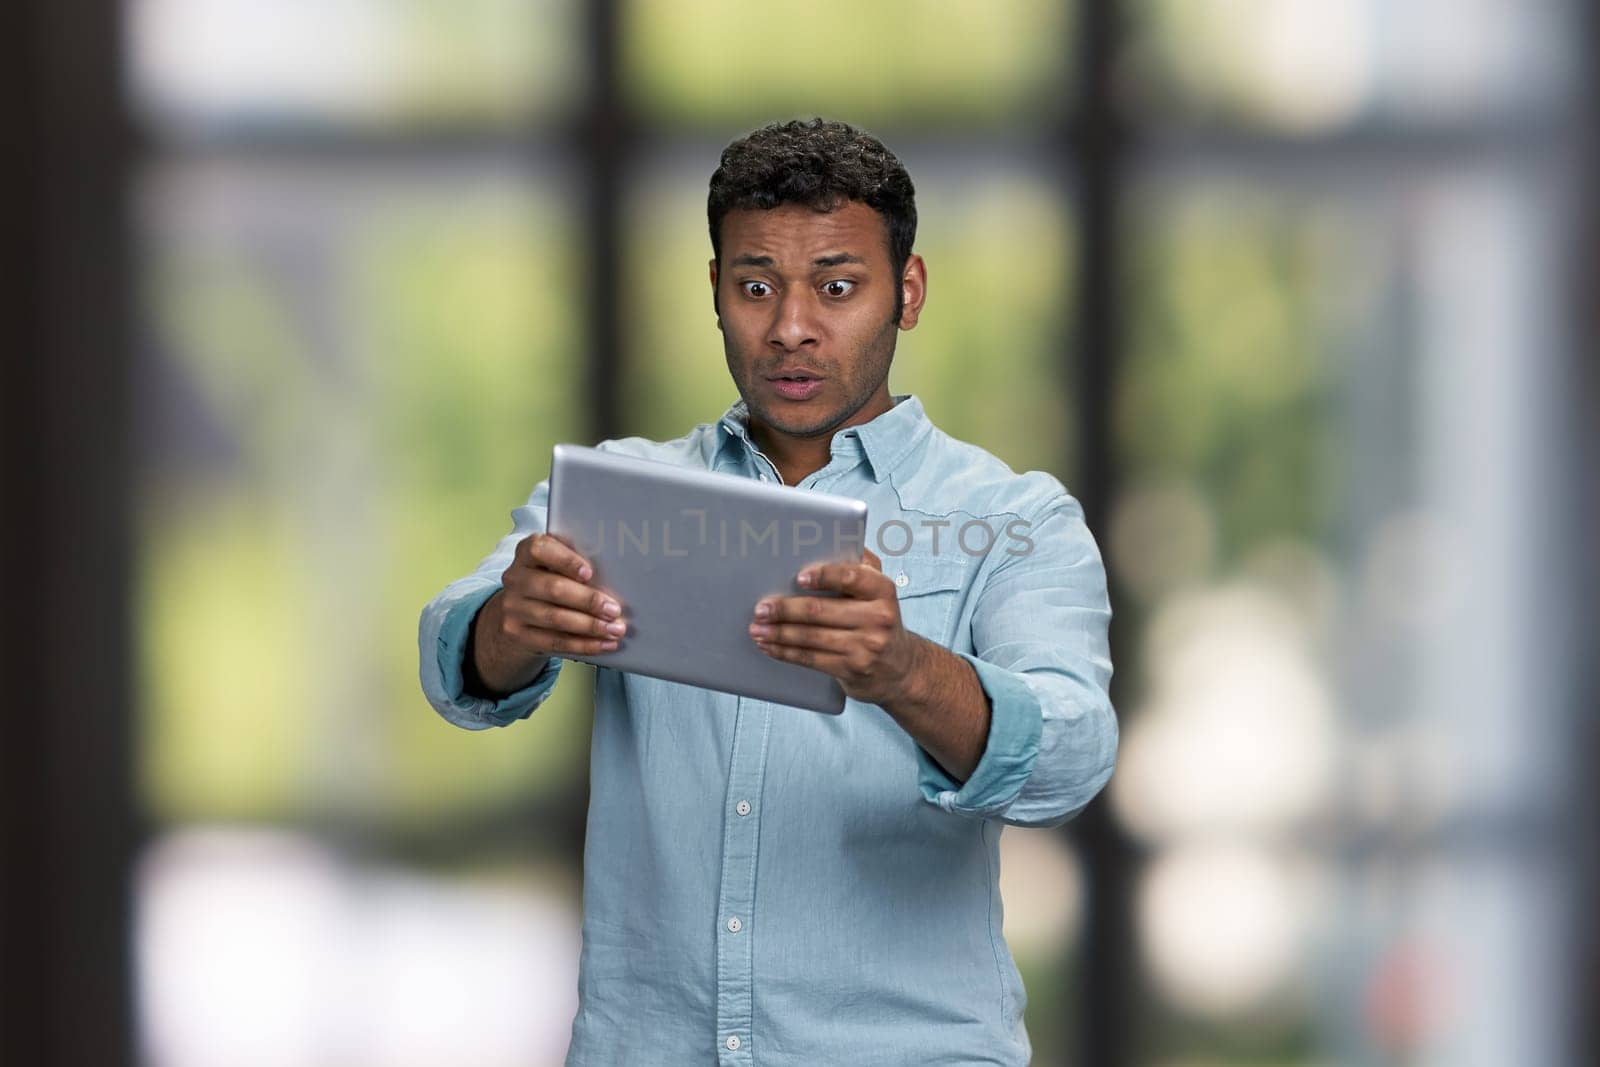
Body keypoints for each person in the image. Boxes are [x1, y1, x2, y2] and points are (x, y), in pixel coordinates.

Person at [418, 117, 1117, 1066]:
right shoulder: (621, 495)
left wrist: (901, 669)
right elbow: (454, 657)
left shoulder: (1013, 517)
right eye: (755, 287)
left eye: (837, 286)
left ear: (906, 294)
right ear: (714, 292)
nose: (791, 327)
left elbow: (1072, 756)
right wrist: (514, 620)